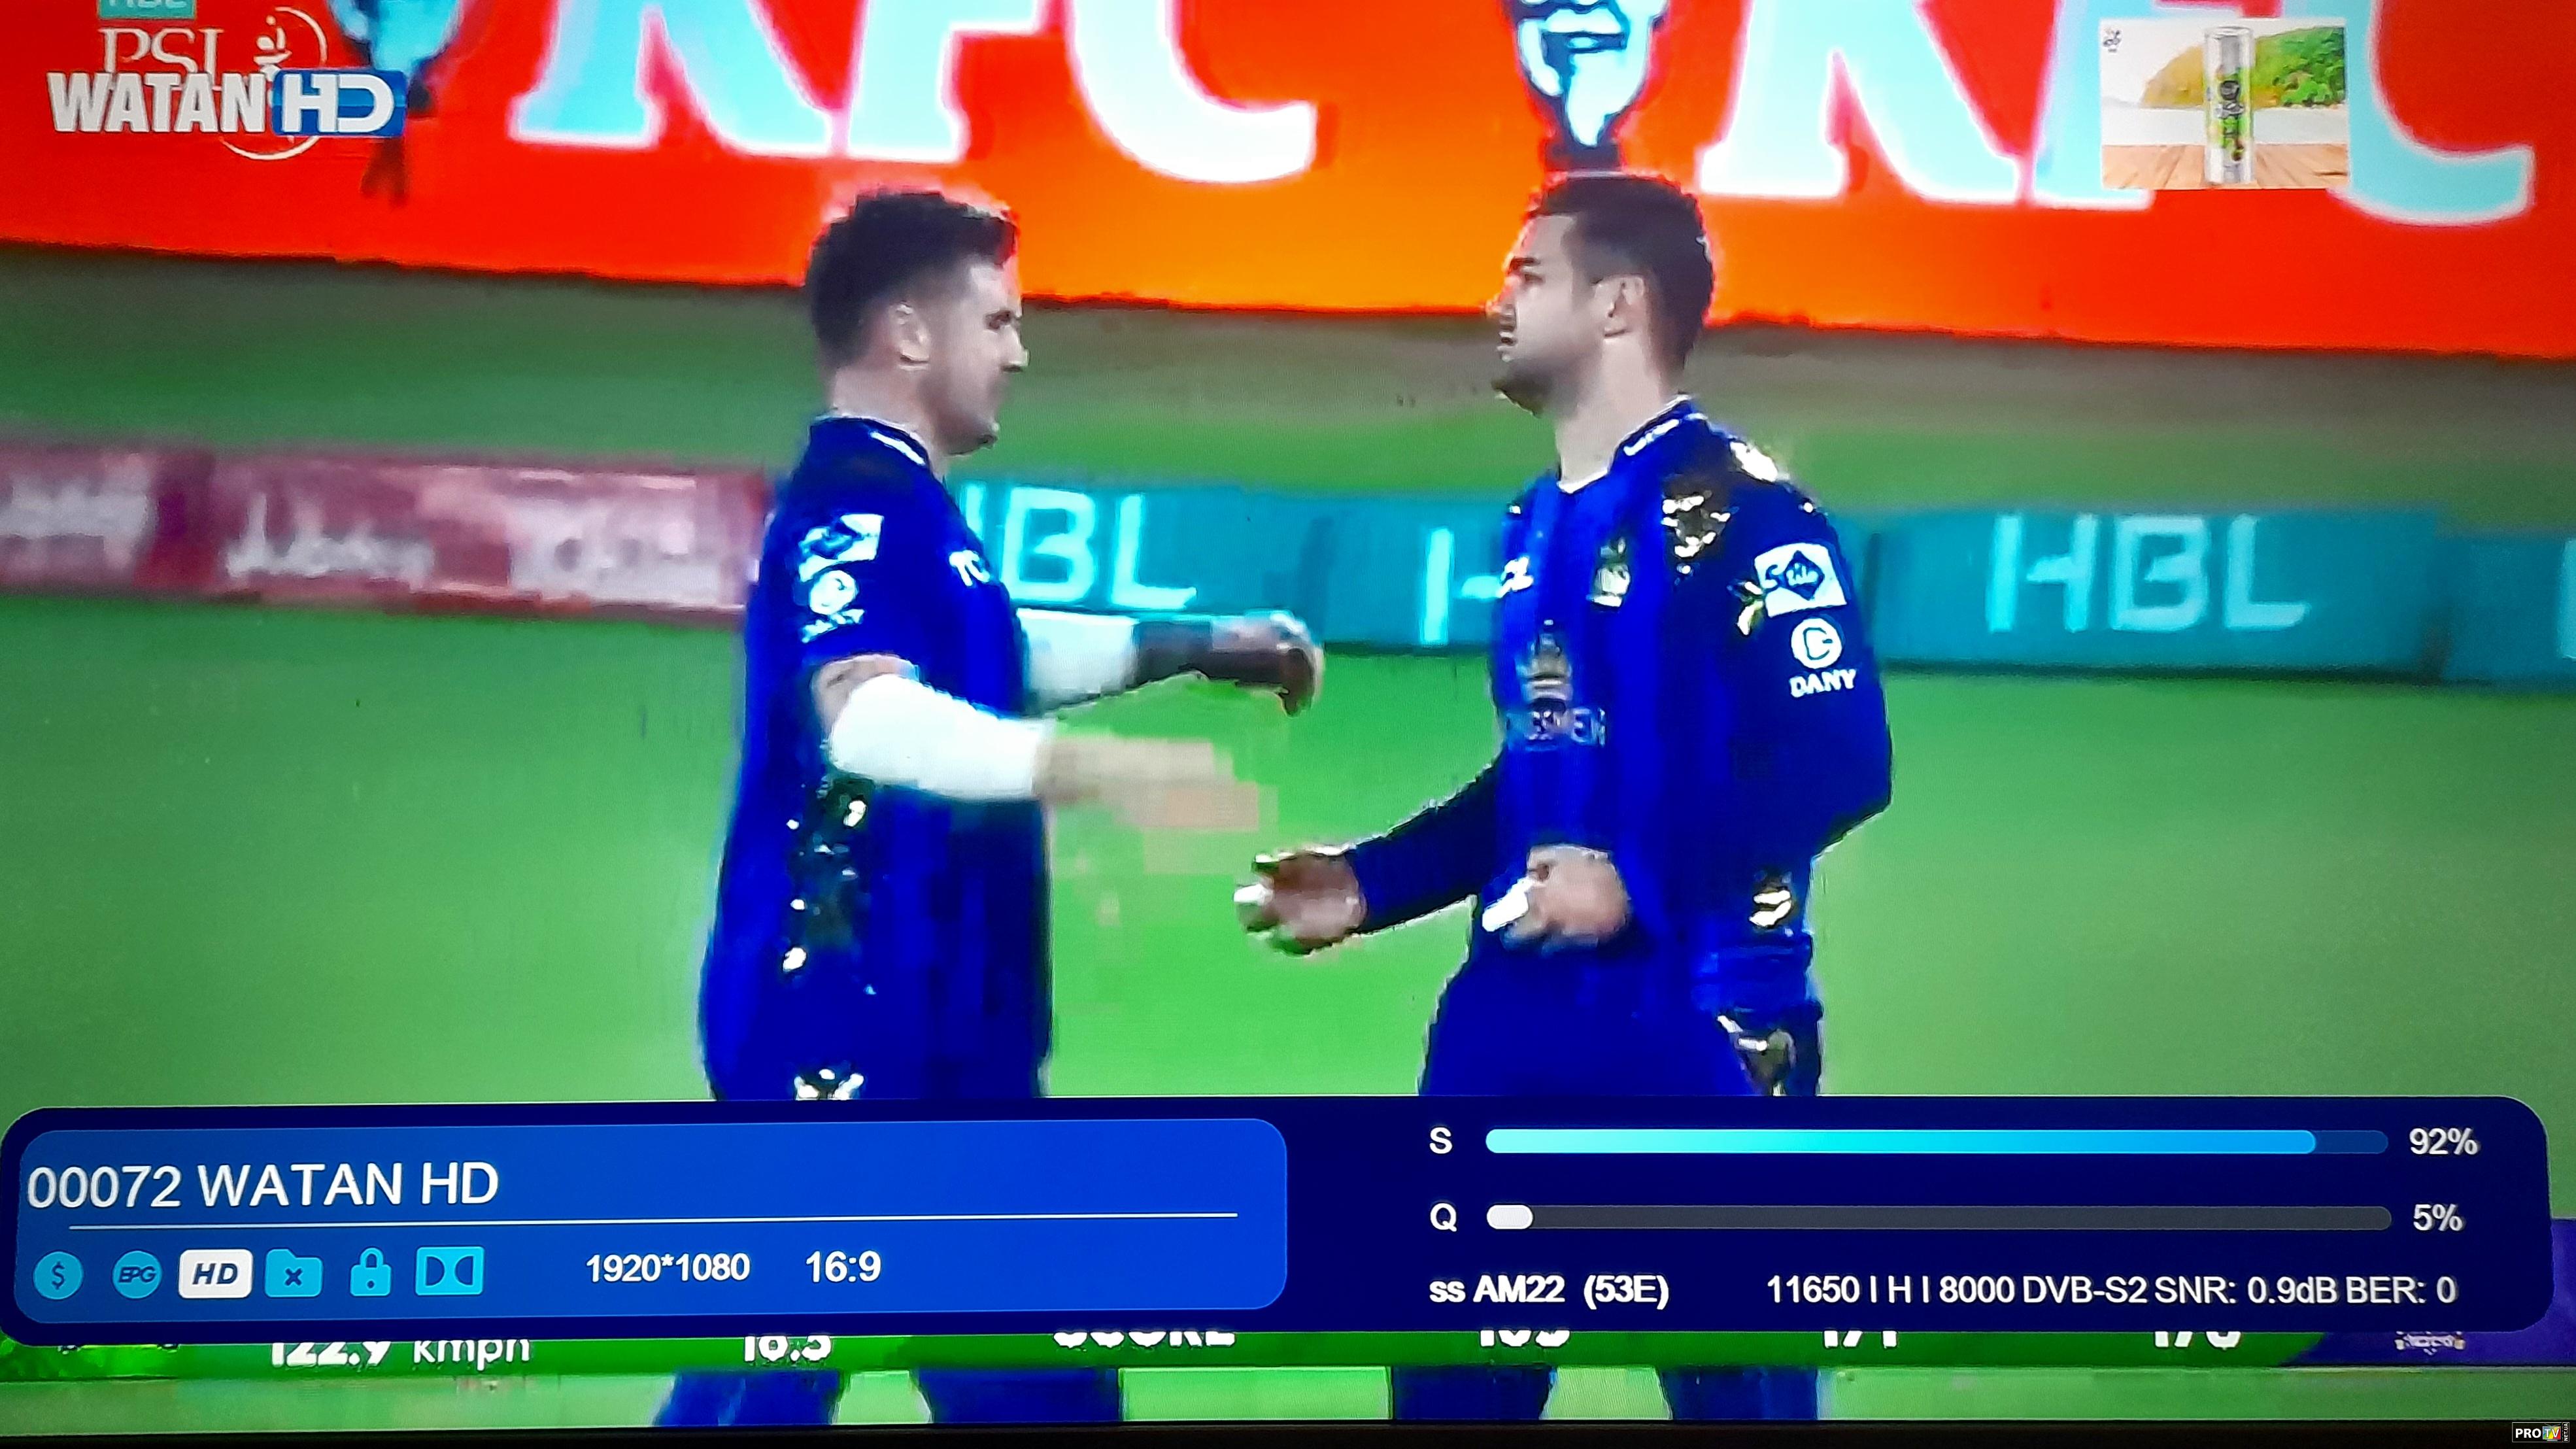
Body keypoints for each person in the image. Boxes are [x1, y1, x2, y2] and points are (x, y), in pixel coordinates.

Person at [660, 189, 1322, 1428]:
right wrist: (1090, 770)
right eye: (999, 322)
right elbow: (864, 714)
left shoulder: (909, 508)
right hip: (844, 1027)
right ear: (912, 334)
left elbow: (995, 650)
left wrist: (1198, 646)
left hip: (946, 1029)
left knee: (1038, 1379)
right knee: (774, 1380)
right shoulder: (855, 506)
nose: (1019, 352)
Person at [1240, 171, 1891, 1421]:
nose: (1496, 301)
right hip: (1513, 1019)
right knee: (1448, 1387)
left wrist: (1636, 880)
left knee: (1742, 1400)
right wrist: (1372, 881)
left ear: (1617, 305)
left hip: (1705, 1022)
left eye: (1527, 276)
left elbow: (1839, 758)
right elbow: (1543, 779)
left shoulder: (1745, 514)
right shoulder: (1536, 522)